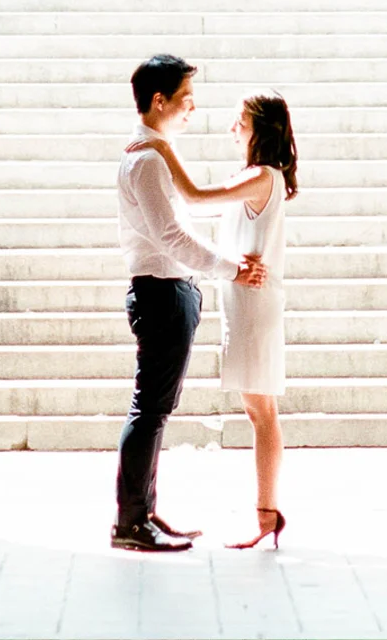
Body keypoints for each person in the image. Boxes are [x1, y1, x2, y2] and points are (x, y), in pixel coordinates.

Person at [112, 54, 266, 553]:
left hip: (170, 290)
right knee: (150, 411)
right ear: (160, 102)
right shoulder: (149, 160)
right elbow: (173, 237)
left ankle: (144, 515)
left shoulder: (153, 154)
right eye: (186, 100)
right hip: (160, 293)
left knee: (155, 409)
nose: (192, 110)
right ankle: (132, 523)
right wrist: (231, 267)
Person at [138, 91, 297, 550]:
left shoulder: (263, 175)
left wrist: (162, 147)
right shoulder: (255, 177)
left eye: (239, 123)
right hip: (244, 301)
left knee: (262, 411)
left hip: (255, 305)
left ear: (259, 129)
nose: (233, 129)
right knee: (257, 409)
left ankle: (267, 513)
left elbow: (194, 196)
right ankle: (267, 513)